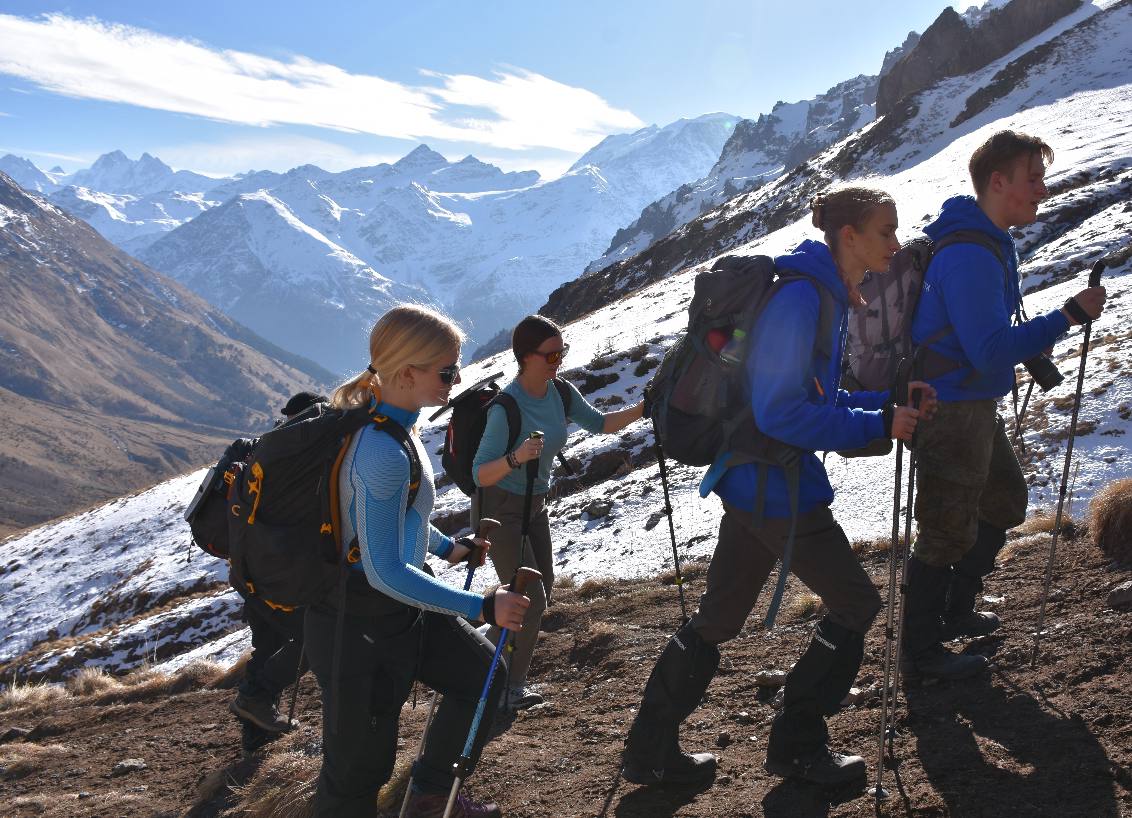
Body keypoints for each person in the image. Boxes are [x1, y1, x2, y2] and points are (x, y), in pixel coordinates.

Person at [621, 187, 934, 789]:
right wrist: (877, 423)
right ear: (849, 236)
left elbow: (814, 397)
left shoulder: (822, 293)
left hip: (754, 482)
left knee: (718, 619)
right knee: (856, 603)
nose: (896, 245)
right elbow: (779, 412)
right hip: (776, 488)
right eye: (885, 232)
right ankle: (797, 747)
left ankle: (649, 750)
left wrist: (887, 404)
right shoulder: (801, 299)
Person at [303, 305, 531, 818]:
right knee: (355, 774)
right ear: (408, 372)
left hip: (400, 606)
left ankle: (428, 797)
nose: (456, 380)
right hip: (358, 622)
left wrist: (449, 549)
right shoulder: (379, 449)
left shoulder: (393, 429)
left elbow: (394, 514)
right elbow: (382, 571)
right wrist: (481, 606)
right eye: (447, 372)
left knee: (482, 680)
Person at [903, 131, 1106, 681]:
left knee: (1004, 501)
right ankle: (919, 655)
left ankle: (953, 612)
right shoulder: (970, 254)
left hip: (969, 400)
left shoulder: (986, 240)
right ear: (998, 182)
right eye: (1032, 178)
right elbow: (989, 348)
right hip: (952, 409)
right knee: (946, 528)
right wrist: (1068, 314)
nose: (1041, 191)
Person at [472, 314, 645, 713]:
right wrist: (516, 458)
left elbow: (601, 424)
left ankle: (482, 637)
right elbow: (481, 472)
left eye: (561, 353)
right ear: (525, 357)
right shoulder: (506, 409)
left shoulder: (560, 393)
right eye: (551, 355)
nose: (558, 361)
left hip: (535, 504)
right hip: (499, 509)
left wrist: (644, 407)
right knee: (527, 596)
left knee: (541, 590)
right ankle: (508, 688)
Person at [230, 391, 326, 751]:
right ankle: (257, 700)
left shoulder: (265, 453)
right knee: (310, 639)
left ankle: (255, 733)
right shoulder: (297, 460)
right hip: (279, 575)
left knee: (266, 644)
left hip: (251, 571)